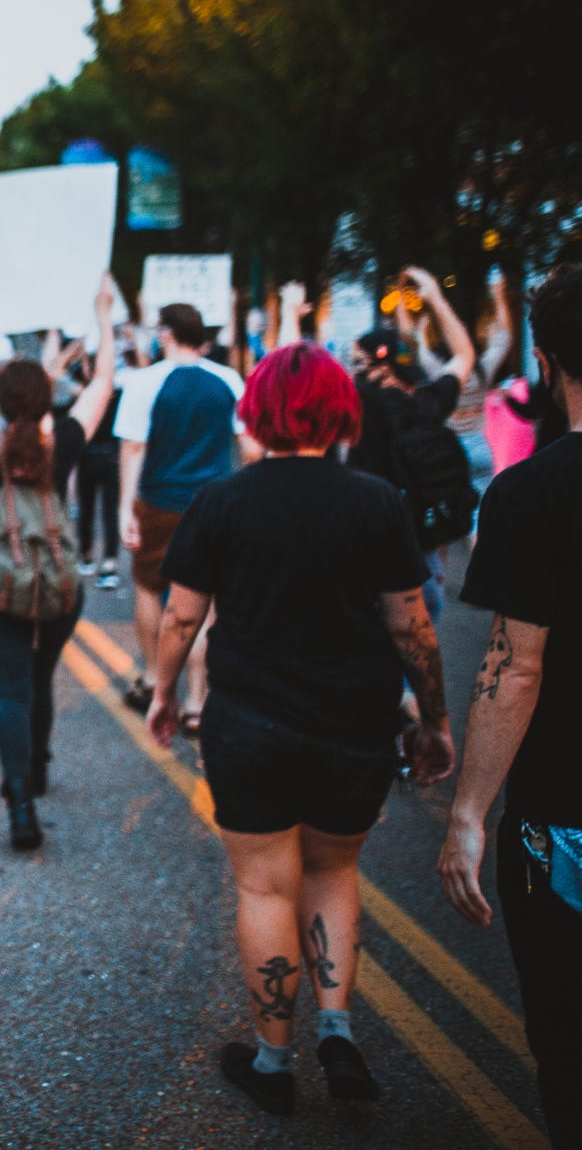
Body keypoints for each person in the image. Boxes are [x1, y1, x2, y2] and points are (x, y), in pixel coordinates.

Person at [145, 341, 454, 1114]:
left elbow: (181, 617)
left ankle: (274, 1062)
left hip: (249, 724)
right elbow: (412, 625)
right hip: (354, 723)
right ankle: (338, 1035)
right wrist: (435, 718)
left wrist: (163, 692)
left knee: (264, 885)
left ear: (256, 413)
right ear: (339, 410)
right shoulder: (377, 501)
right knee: (334, 873)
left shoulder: (221, 500)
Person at [438, 262, 582, 1146]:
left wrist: (468, 814)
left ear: (547, 359)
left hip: (564, 816)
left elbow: (516, 668)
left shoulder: (530, 493)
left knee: (567, 1036)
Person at [0, 276, 116, 849]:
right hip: (59, 583)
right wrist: (103, 314)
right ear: (47, 397)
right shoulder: (65, 438)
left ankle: (20, 802)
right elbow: (104, 382)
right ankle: (38, 766)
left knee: (12, 689)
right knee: (42, 677)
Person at [116, 301, 251, 726]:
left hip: (160, 502)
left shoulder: (146, 381)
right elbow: (249, 447)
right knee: (205, 605)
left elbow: (133, 447)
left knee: (149, 588)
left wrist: (125, 507)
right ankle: (197, 700)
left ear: (168, 334)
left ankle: (155, 680)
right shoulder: (228, 380)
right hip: (215, 505)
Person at [348, 265, 478, 623]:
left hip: (368, 550)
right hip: (422, 551)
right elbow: (464, 355)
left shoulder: (358, 405)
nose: (351, 368)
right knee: (419, 635)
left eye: (356, 360)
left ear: (379, 366)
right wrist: (435, 296)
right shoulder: (427, 402)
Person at [406, 266, 513, 496]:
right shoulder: (482, 371)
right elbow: (503, 340)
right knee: (482, 508)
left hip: (450, 448)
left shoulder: (441, 372)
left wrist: (424, 327)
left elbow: (421, 350)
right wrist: (499, 297)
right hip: (479, 446)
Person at [74, 349, 126, 592]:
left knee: (87, 508)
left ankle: (88, 555)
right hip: (109, 456)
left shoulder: (83, 395)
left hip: (89, 455)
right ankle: (108, 562)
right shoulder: (117, 393)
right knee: (107, 511)